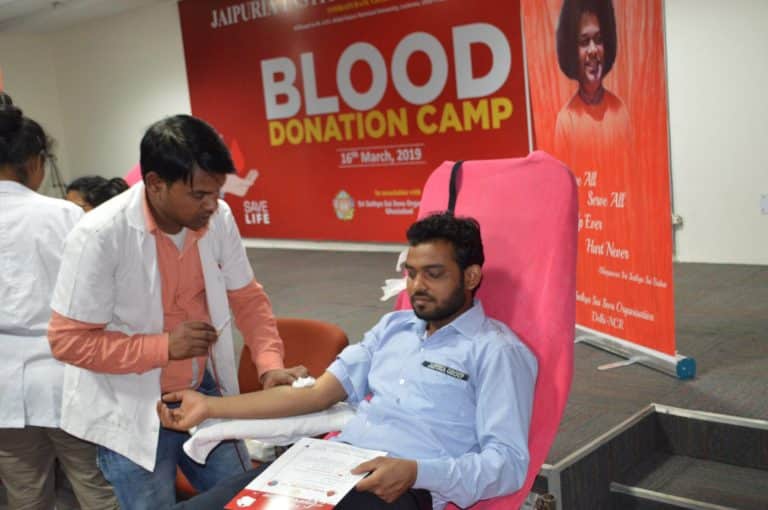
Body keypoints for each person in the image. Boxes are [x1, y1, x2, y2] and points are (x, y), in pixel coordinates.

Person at [159, 213, 538, 510]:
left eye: (433, 274)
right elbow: (315, 395)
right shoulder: (394, 328)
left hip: (395, 487)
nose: (417, 286)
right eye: (411, 273)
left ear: (471, 276)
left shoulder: (496, 352)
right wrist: (209, 406)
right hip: (329, 463)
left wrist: (417, 472)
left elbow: (507, 464)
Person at [47, 114, 307, 509]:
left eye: (216, 192)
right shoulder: (99, 235)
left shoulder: (218, 218)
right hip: (131, 404)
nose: (211, 205)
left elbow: (247, 298)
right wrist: (165, 346)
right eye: (199, 195)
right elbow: (67, 342)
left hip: (202, 391)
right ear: (155, 184)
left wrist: (269, 365)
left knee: (244, 498)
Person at [0, 97, 118, 508]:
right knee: (96, 487)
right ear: (33, 162)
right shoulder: (64, 216)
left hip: (2, 388)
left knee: (24, 495)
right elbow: (103, 297)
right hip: (67, 377)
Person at [553, 0, 631, 173]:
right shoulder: (566, 121)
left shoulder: (620, 112)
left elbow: (629, 175)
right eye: (584, 42)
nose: (593, 50)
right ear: (571, 51)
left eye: (599, 39)